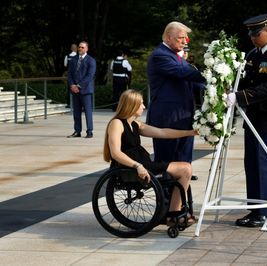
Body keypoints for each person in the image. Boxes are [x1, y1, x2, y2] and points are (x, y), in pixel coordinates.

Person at [226, 14, 267, 227]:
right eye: (251, 34)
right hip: (252, 116)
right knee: (251, 163)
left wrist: (241, 97)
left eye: (257, 33)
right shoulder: (252, 55)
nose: (253, 38)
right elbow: (244, 80)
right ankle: (255, 210)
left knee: (266, 164)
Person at [103, 89, 197, 224]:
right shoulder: (117, 123)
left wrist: (191, 132)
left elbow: (163, 132)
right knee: (185, 169)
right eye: (141, 103)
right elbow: (116, 153)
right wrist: (137, 165)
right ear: (132, 105)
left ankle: (173, 212)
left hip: (143, 164)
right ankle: (173, 214)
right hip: (130, 168)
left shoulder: (135, 124)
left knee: (185, 169)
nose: (144, 107)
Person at [146, 21, 205, 181]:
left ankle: (178, 203)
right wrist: (210, 70)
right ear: (168, 37)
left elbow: (193, 82)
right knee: (167, 168)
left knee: (183, 165)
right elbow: (182, 72)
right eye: (181, 38)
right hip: (168, 120)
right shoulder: (160, 55)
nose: (185, 42)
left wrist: (215, 87)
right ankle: (166, 203)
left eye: (186, 39)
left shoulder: (176, 57)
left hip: (183, 118)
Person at [67, 41, 96, 138]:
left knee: (88, 112)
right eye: (79, 47)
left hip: (85, 90)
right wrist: (72, 85)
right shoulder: (73, 59)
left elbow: (89, 76)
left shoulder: (91, 60)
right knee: (76, 112)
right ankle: (77, 131)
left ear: (87, 49)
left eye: (82, 47)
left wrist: (78, 86)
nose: (80, 49)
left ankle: (89, 131)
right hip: (74, 90)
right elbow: (69, 74)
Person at [64, 43, 78, 107]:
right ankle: (77, 104)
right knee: (78, 89)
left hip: (70, 76)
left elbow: (65, 65)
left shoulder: (67, 56)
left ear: (71, 49)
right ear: (76, 49)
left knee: (69, 90)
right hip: (77, 76)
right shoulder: (78, 57)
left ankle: (69, 104)